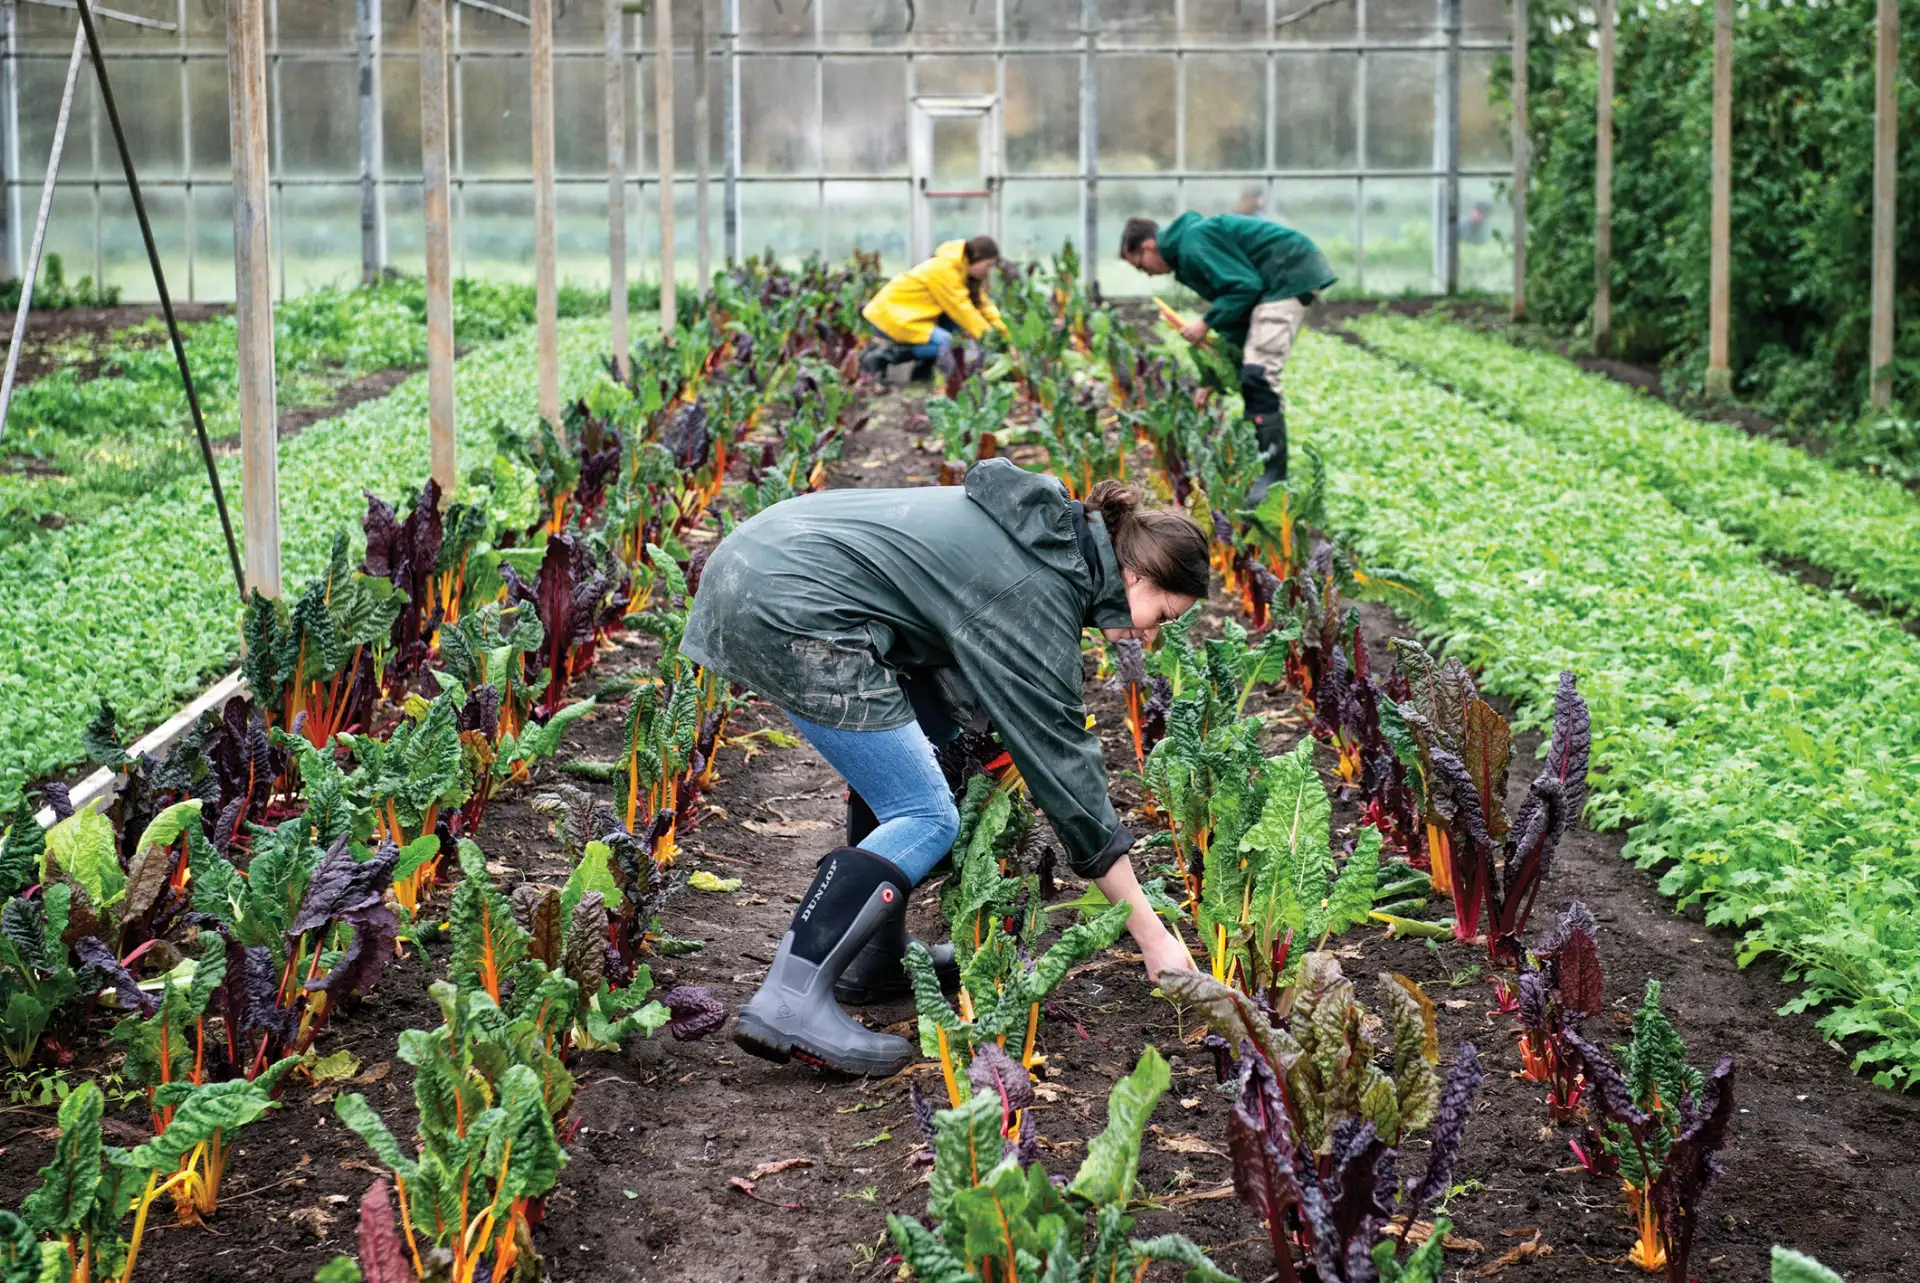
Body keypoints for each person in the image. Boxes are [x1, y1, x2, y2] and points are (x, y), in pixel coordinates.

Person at [680, 461, 1206, 1076]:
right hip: (793, 602)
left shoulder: (1045, 538)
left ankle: (874, 957)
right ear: (1137, 574)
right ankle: (789, 1000)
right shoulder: (1037, 588)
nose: (1151, 636)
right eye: (1163, 615)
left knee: (912, 767)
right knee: (926, 814)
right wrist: (1151, 932)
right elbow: (1066, 773)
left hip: (765, 559)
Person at [1120, 213, 1337, 505]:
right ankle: (1264, 469)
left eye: (1140, 266)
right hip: (1276, 280)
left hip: (1287, 275)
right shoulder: (1187, 252)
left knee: (1259, 374)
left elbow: (1245, 286)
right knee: (1253, 374)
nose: (1147, 274)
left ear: (1148, 246)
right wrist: (1212, 380)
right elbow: (1238, 309)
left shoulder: (1192, 243)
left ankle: (1272, 476)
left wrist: (1205, 323)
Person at [859, 235, 1009, 384]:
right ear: (976, 257)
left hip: (911, 316)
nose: (988, 272)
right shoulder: (944, 269)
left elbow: (985, 308)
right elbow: (963, 310)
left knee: (954, 327)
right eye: (988, 265)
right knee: (949, 343)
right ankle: (882, 356)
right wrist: (991, 341)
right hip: (890, 317)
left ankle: (922, 370)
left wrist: (1005, 336)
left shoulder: (962, 272)